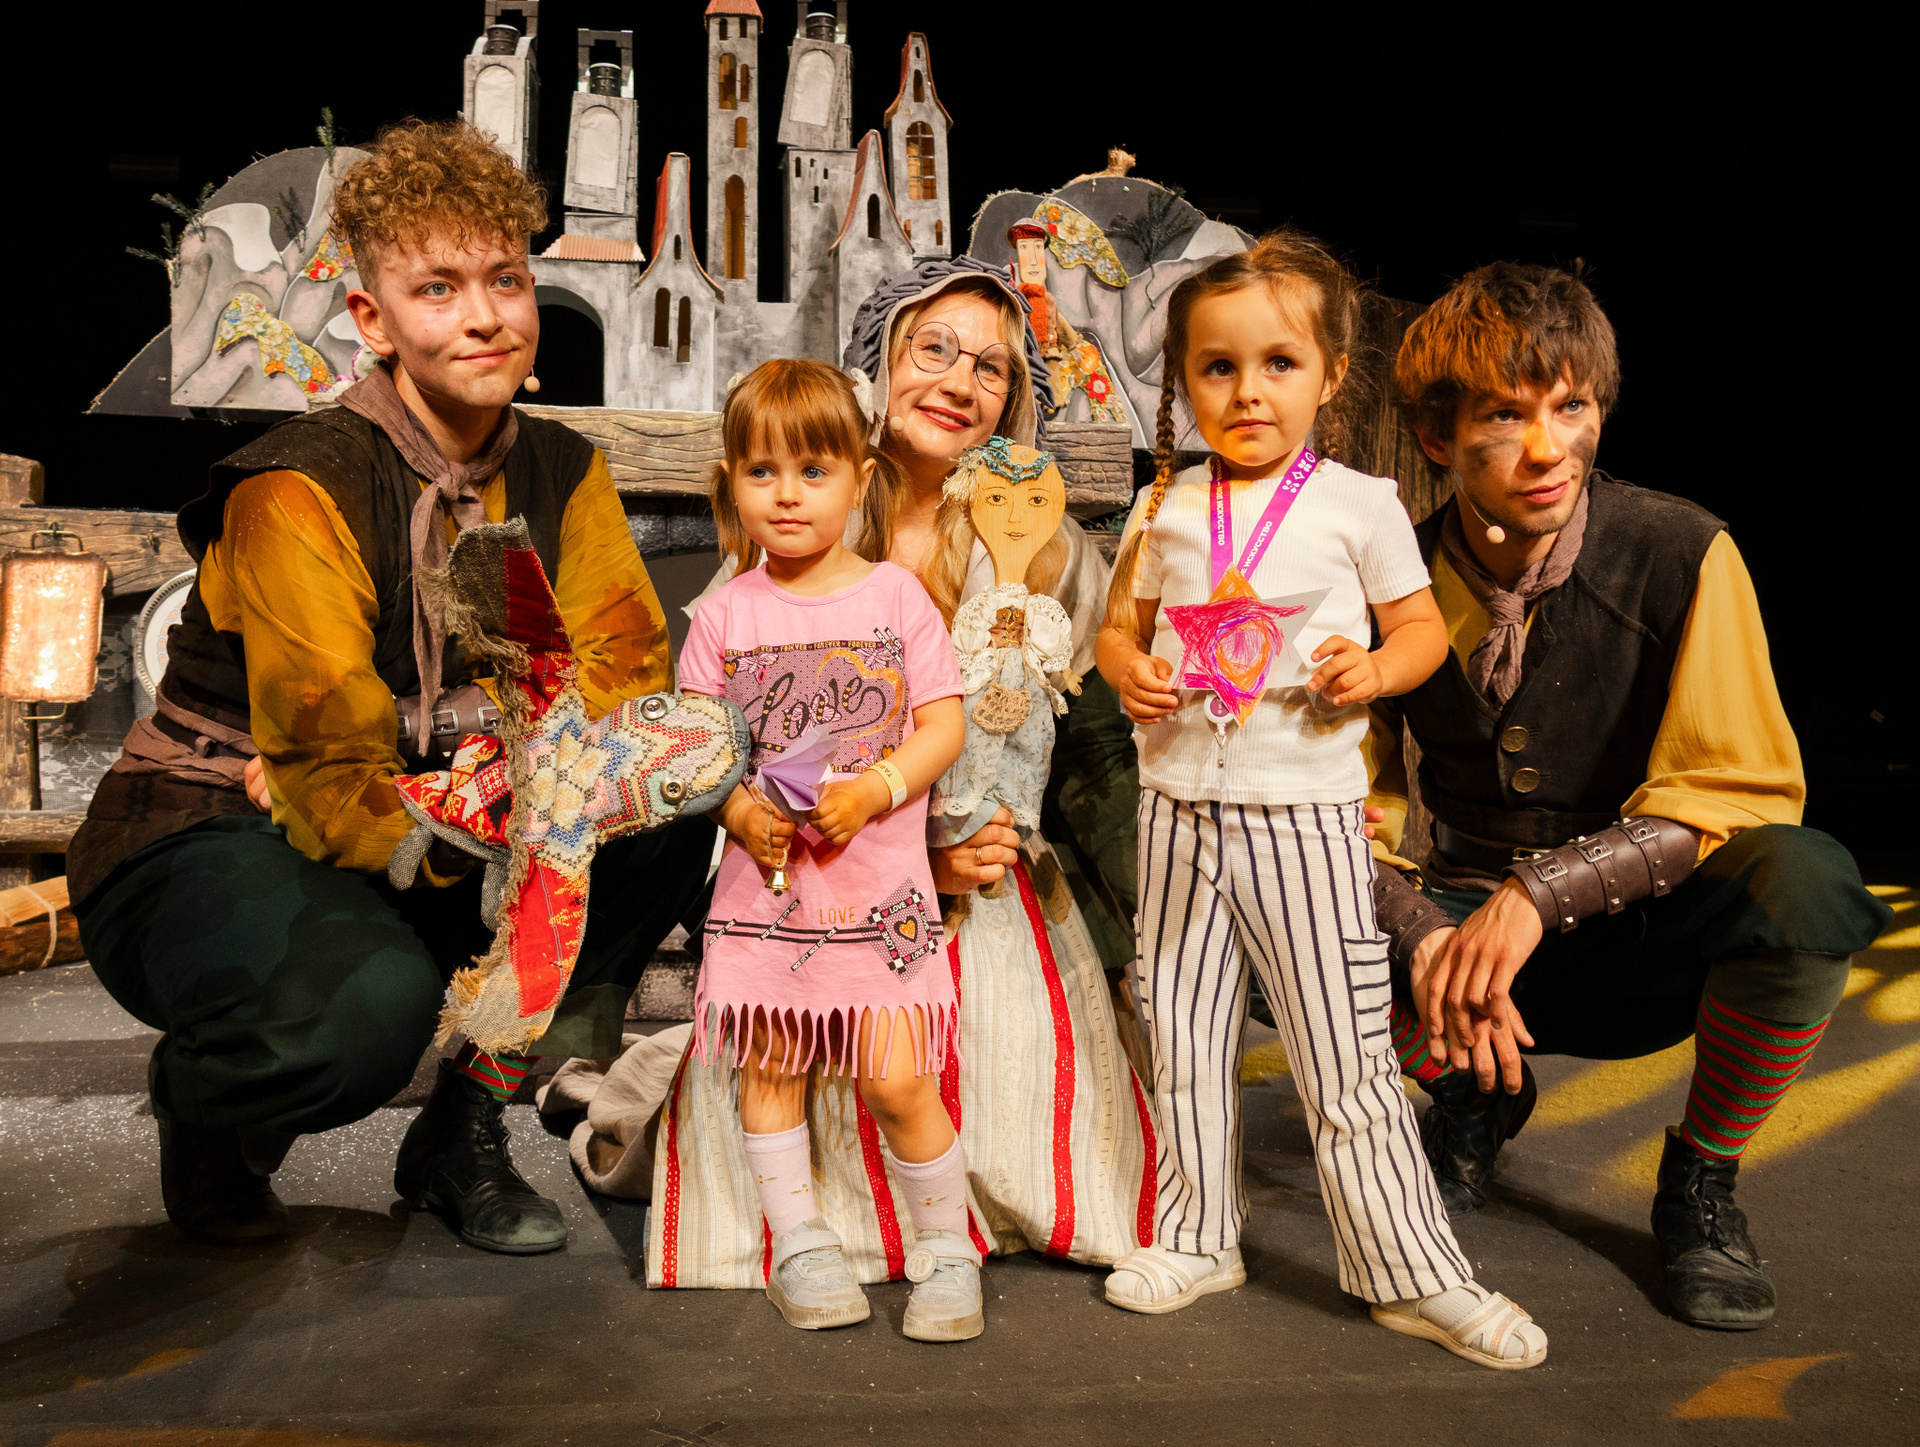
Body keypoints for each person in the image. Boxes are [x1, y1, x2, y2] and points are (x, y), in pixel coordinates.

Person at [66, 119, 716, 1253]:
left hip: (446, 808)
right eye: (438, 288)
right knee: (364, 1017)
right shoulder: (299, 486)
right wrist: (508, 775)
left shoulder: (562, 471)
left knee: (665, 800)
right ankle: (214, 1106)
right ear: (373, 320)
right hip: (215, 822)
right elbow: (327, 769)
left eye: (505, 279)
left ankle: (463, 1127)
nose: (485, 316)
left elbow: (620, 685)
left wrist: (483, 773)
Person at [1367, 261, 1892, 1330]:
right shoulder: (1388, 580)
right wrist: (1423, 933)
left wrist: (1540, 893)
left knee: (1805, 883)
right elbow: (1336, 810)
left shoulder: (1683, 550)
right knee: (1269, 897)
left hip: (1637, 939)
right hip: (1459, 945)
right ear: (1436, 437)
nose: (1549, 447)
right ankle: (1471, 1092)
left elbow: (1733, 787)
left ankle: (1701, 1176)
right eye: (1505, 416)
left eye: (1572, 406)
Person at [627, 258, 1152, 1291]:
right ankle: (807, 1229)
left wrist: (990, 842)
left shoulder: (1032, 540)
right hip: (812, 865)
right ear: (878, 364)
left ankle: (953, 1224)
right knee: (781, 1045)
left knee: (944, 1043)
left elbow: (1050, 744)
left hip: (971, 866)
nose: (960, 381)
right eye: (934, 349)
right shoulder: (790, 539)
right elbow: (729, 736)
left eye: (992, 368)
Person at [1094, 232, 1548, 1370]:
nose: (1248, 391)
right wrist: (1128, 669)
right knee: (1182, 1033)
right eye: (1218, 367)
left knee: (1344, 1053)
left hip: (1302, 818)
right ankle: (1197, 1237)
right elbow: (1117, 628)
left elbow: (1421, 630)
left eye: (1279, 363)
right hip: (1176, 811)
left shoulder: (1361, 503)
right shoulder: (1164, 504)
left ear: (1331, 374)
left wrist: (1376, 670)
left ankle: (1413, 1272)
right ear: (1183, 380)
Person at [677, 358, 976, 1340]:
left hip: (877, 895)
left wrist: (877, 788)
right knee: (772, 1071)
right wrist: (736, 812)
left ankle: (947, 1248)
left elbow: (943, 725)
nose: (788, 494)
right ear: (731, 483)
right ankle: (799, 1243)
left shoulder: (897, 597)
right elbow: (695, 751)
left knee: (897, 1078)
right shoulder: (723, 616)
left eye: (813, 470)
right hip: (767, 901)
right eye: (762, 472)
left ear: (859, 478)